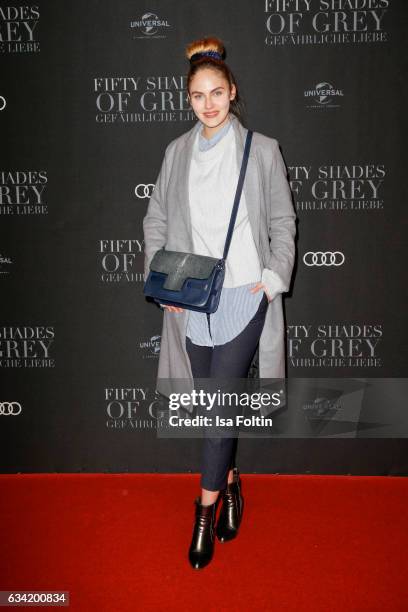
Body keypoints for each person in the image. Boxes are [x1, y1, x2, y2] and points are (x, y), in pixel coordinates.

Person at [143, 36, 297, 570]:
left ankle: (203, 512)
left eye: (216, 92)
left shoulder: (263, 150)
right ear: (188, 99)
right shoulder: (176, 153)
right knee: (211, 404)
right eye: (197, 95)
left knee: (217, 407)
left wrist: (274, 277)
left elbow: (282, 221)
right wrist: (162, 280)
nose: (208, 103)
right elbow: (156, 220)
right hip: (192, 298)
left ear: (233, 92)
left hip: (244, 296)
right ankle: (231, 486)